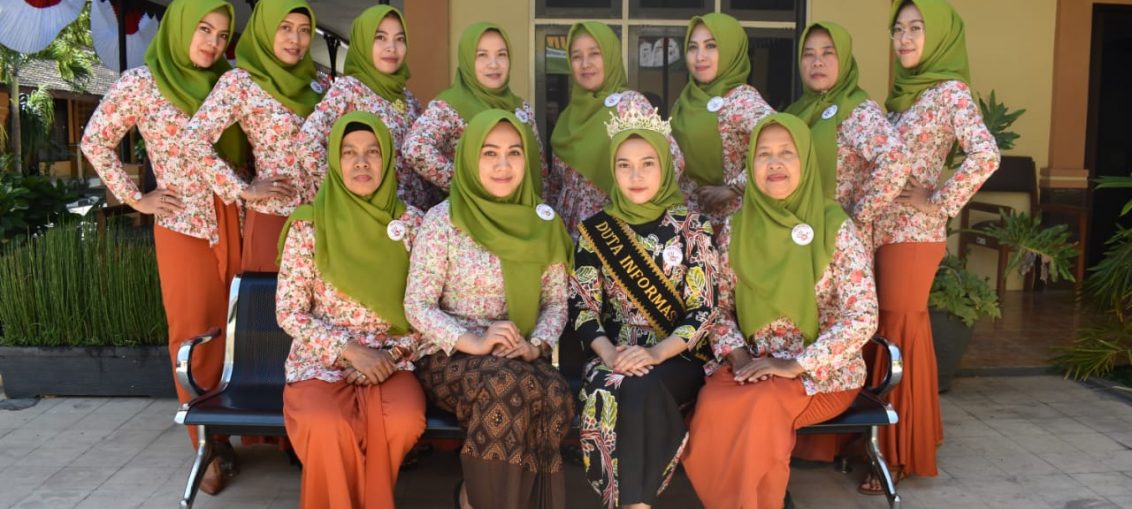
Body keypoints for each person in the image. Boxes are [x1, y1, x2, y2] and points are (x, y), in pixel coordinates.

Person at [79, 0, 251, 493]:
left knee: (240, 329)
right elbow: (95, 140)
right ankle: (206, 445)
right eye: (204, 29)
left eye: (222, 35)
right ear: (179, 27)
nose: (213, 43)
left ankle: (239, 427)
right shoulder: (143, 82)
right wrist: (138, 198)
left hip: (236, 218)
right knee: (194, 333)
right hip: (183, 224)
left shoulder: (227, 81)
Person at [683, 113, 878, 509]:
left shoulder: (835, 226)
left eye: (787, 153)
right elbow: (718, 308)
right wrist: (739, 357)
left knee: (759, 412)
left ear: (806, 161)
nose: (774, 163)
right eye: (764, 154)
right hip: (751, 365)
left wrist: (796, 364)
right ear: (750, 166)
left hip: (820, 374)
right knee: (712, 408)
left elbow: (862, 316)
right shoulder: (736, 228)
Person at [861, 0, 1000, 493]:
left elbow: (986, 153)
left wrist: (939, 202)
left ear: (938, 35)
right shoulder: (903, 96)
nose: (904, 39)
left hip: (915, 236)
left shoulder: (949, 92)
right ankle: (899, 437)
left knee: (901, 331)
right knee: (884, 330)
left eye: (916, 28)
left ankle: (900, 453)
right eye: (898, 29)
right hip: (881, 233)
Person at [404, 110, 575, 509]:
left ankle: (482, 498)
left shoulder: (543, 223)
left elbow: (555, 301)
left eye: (514, 152)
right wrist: (475, 342)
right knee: (506, 386)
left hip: (519, 355)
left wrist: (537, 345)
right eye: (490, 153)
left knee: (555, 394)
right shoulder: (444, 221)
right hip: (451, 355)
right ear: (469, 159)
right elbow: (418, 305)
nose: (503, 165)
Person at [570, 108, 719, 509]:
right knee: (620, 385)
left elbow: (703, 310)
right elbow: (583, 308)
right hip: (613, 355)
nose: (635, 175)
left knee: (640, 386)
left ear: (665, 166)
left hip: (677, 357)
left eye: (647, 163)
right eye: (624, 165)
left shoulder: (693, 228)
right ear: (612, 169)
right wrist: (611, 354)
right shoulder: (593, 231)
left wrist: (654, 353)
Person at [278, 112, 426, 509]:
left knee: (403, 418)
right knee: (326, 424)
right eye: (349, 153)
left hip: (393, 361)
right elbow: (290, 311)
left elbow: (428, 308)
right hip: (320, 360)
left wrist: (390, 356)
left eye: (373, 152)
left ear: (388, 159)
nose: (362, 162)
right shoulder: (309, 225)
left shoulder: (412, 225)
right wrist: (351, 351)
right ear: (334, 161)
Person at [184, 0, 326, 273]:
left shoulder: (315, 87)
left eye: (304, 30)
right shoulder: (242, 83)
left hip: (321, 218)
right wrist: (242, 189)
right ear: (266, 29)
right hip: (273, 217)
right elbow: (194, 139)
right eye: (285, 27)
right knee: (267, 298)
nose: (296, 39)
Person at [297, 5, 441, 211]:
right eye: (380, 37)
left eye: (400, 39)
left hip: (411, 215)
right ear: (363, 42)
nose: (391, 47)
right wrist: (345, 192)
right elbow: (307, 142)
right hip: (371, 213)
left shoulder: (408, 99)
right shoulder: (349, 90)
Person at [548, 21, 685, 238]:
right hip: (567, 230)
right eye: (576, 57)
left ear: (610, 56)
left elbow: (673, 162)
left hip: (615, 234)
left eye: (594, 54)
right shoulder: (567, 116)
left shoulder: (629, 104)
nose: (585, 64)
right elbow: (557, 182)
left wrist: (640, 214)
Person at [403, 23, 549, 198]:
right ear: (467, 60)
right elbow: (415, 148)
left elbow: (539, 168)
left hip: (524, 209)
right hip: (472, 211)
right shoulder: (449, 107)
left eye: (501, 54)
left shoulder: (521, 108)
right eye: (482, 55)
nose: (493, 64)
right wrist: (466, 183)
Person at [670, 12, 774, 233]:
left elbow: (783, 145)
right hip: (687, 223)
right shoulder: (685, 100)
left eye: (711, 46)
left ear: (730, 49)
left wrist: (735, 187)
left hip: (732, 226)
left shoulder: (741, 99)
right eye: (693, 47)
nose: (700, 56)